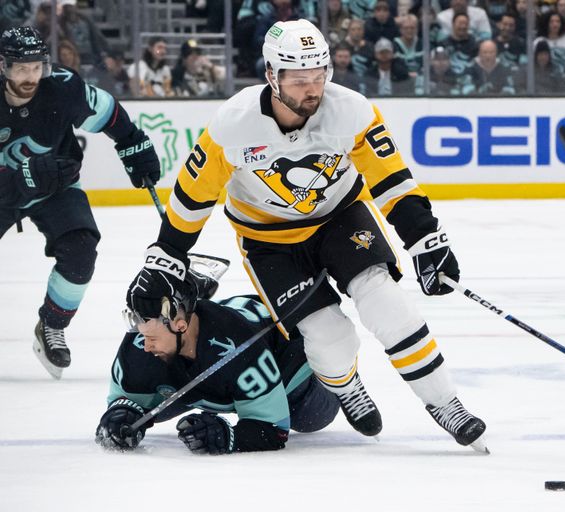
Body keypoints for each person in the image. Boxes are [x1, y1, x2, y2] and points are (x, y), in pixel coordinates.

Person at [125, 19, 487, 451]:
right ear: (271, 76)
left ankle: (446, 403)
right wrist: (168, 251)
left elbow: (391, 180)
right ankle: (346, 383)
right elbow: (192, 197)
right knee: (329, 338)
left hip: (341, 217)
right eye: (299, 80)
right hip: (268, 240)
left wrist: (426, 238)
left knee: (387, 304)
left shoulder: (351, 110)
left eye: (319, 77)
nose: (312, 90)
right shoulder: (233, 124)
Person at [0, 27, 161, 379]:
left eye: (36, 68)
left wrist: (133, 144)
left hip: (55, 188)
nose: (31, 77)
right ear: (3, 67)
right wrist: (23, 175)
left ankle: (51, 326)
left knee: (81, 252)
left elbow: (107, 112)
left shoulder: (61, 87)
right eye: (21, 69)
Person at [96, 268, 339, 453]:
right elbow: (123, 400)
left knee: (311, 420)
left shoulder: (242, 350)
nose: (146, 346)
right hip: (205, 372)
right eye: (142, 335)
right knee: (146, 408)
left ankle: (342, 372)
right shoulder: (141, 347)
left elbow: (274, 430)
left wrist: (229, 437)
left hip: (289, 370)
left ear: (181, 325)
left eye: (152, 338)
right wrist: (121, 413)